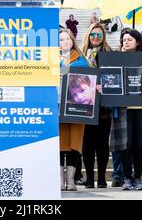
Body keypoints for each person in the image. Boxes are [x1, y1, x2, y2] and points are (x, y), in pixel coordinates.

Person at [111, 28, 142, 190]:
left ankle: (138, 178)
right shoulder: (115, 58)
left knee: (139, 144)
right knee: (125, 144)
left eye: (129, 39)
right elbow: (109, 77)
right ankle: (127, 177)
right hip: (124, 108)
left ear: (138, 42)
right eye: (124, 40)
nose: (125, 42)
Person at [81, 23, 113, 188]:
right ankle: (88, 178)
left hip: (103, 106)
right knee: (87, 143)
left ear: (104, 37)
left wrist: (105, 85)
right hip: (84, 104)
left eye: (99, 35)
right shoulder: (80, 55)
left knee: (102, 143)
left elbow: (115, 77)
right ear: (88, 35)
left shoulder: (109, 54)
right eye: (93, 34)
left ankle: (101, 177)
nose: (95, 38)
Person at [59, 28, 89, 191]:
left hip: (77, 106)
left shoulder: (81, 60)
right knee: (60, 142)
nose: (64, 42)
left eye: (67, 39)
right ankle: (60, 179)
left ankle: (70, 180)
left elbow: (86, 79)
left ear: (73, 41)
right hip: (57, 105)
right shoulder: (50, 59)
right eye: (61, 39)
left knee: (75, 142)